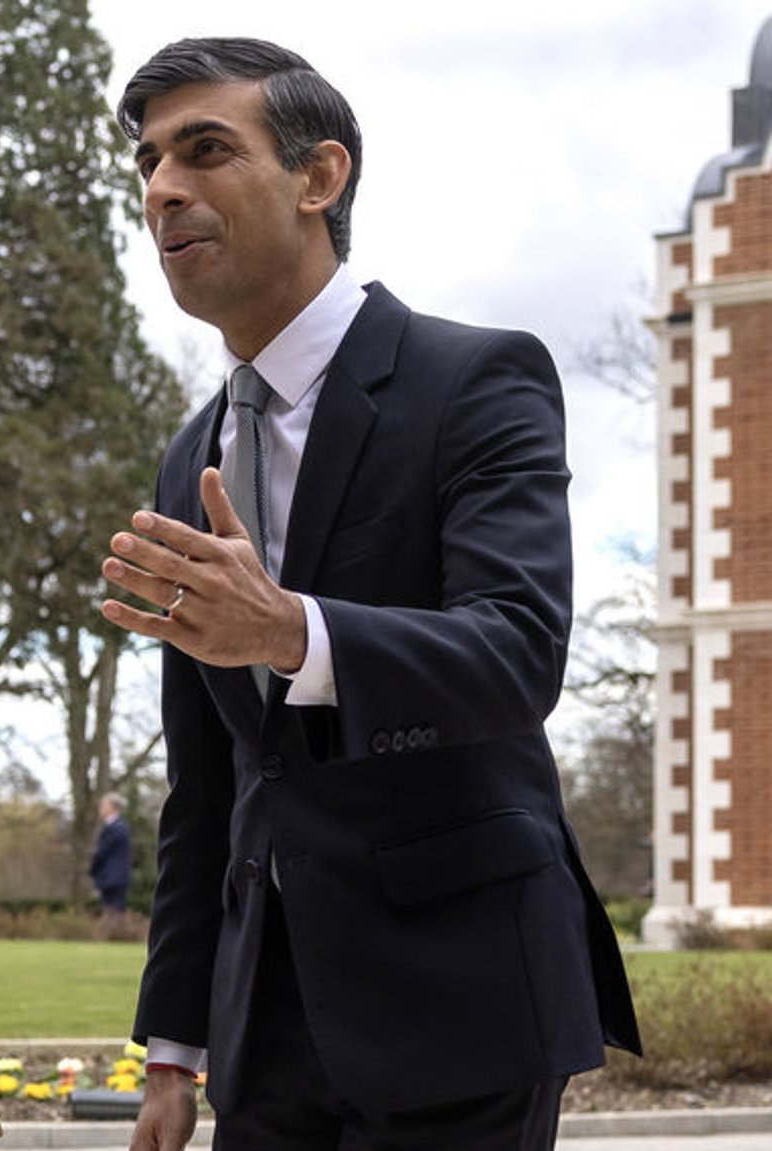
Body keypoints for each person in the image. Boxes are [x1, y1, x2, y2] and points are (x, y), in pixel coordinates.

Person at [96, 38, 641, 1151]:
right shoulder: (185, 457)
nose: (161, 188)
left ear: (318, 177)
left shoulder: (476, 378)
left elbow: (515, 650)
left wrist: (291, 628)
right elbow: (206, 777)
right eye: (148, 163)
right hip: (267, 1024)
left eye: (204, 149)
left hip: (461, 996)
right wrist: (171, 1042)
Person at [89, 792, 132, 914]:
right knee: (114, 913)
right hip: (117, 878)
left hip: (111, 879)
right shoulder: (121, 827)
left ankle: (116, 932)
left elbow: (101, 853)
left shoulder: (114, 828)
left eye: (103, 805)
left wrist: (92, 870)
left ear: (112, 807)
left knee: (112, 913)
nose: (100, 809)